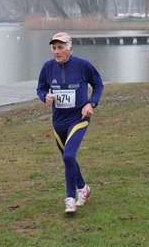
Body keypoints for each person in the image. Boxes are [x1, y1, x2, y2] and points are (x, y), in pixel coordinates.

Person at [36, 32, 104, 214]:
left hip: (79, 119)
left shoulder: (83, 65)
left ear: (70, 49)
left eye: (61, 48)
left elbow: (98, 84)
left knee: (68, 156)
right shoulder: (48, 67)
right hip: (58, 122)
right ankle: (83, 188)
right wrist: (45, 96)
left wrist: (91, 103)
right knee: (69, 157)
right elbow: (41, 87)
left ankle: (70, 199)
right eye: (54, 48)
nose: (57, 52)